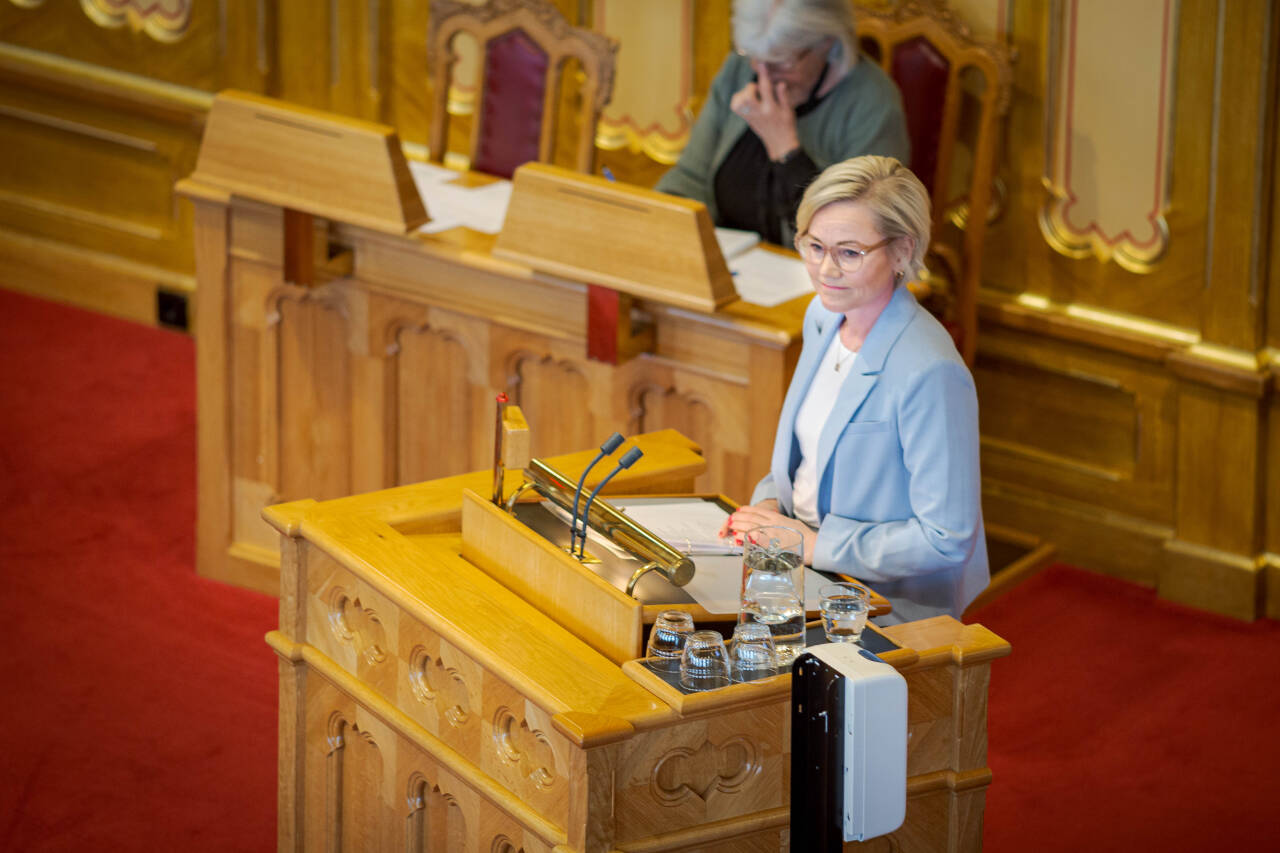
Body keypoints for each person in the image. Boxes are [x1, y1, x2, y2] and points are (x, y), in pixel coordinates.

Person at [719, 155, 988, 624]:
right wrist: (766, 508)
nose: (826, 270)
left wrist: (816, 545)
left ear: (902, 252)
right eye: (814, 246)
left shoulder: (930, 371)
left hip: (883, 606)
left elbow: (946, 538)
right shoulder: (824, 317)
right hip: (802, 571)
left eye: (849, 252)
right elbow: (810, 457)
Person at [655, 0, 910, 246]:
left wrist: (786, 150)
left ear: (827, 43)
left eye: (781, 61)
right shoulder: (739, 70)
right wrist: (660, 225)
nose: (763, 73)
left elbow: (857, 233)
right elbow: (691, 178)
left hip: (820, 280)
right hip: (732, 264)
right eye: (754, 55)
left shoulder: (873, 103)